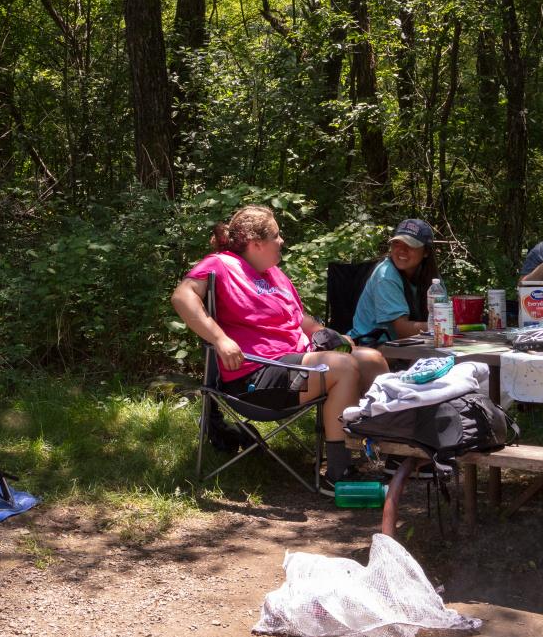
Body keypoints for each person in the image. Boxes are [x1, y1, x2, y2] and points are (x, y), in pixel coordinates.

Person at [172, 204, 389, 485]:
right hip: (257, 378)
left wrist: (335, 337)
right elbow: (182, 297)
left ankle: (384, 453)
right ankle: (339, 474)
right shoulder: (221, 264)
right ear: (256, 243)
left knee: (372, 359)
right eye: (276, 235)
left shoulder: (275, 274)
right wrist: (220, 338)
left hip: (295, 366)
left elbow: (303, 322)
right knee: (343, 367)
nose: (282, 241)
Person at [349, 217, 437, 345]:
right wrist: (444, 324)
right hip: (371, 345)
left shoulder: (432, 279)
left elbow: (440, 312)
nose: (402, 250)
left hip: (411, 343)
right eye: (397, 243)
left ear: (426, 252)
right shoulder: (385, 276)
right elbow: (402, 330)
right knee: (429, 357)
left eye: (410, 245)